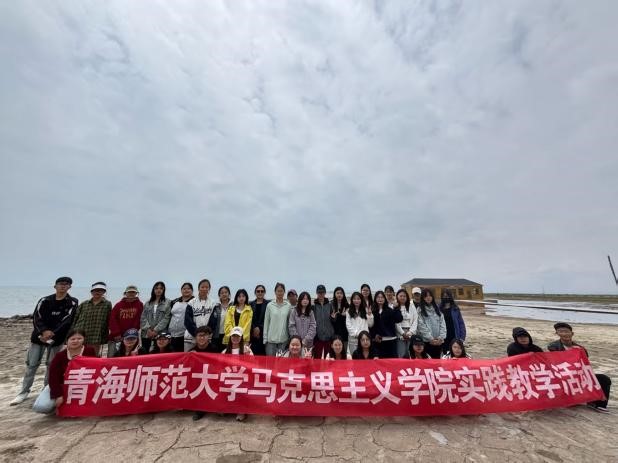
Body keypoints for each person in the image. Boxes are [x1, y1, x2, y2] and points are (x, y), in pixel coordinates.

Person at [10, 276, 78, 406]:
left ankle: (45, 390)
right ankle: (23, 392)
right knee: (31, 365)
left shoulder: (73, 302)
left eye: (66, 284)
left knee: (51, 366)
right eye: (60, 284)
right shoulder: (45, 300)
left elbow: (67, 320)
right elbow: (37, 317)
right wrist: (44, 331)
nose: (63, 286)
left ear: (70, 287)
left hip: (57, 339)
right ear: (55, 286)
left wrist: (52, 333)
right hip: (38, 337)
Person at [547, 322, 612, 413]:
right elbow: (555, 362)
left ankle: (598, 404)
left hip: (579, 374)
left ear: (572, 333)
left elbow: (585, 364)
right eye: (561, 331)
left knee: (604, 379)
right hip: (562, 375)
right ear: (557, 333)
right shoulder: (553, 346)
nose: (564, 334)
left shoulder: (580, 348)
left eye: (566, 331)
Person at [47, 329, 96, 412]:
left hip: (84, 385)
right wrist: (58, 395)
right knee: (43, 406)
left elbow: (96, 369)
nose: (76, 341)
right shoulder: (60, 356)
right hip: (63, 386)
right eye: (72, 339)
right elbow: (53, 377)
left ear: (84, 339)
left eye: (79, 338)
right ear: (67, 341)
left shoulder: (89, 351)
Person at [70, 281, 111, 356]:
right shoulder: (84, 303)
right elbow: (75, 318)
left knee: (93, 356)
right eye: (95, 290)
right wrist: (71, 333)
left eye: (100, 290)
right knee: (77, 355)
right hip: (80, 334)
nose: (97, 292)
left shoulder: (107, 304)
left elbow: (108, 320)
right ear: (91, 292)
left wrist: (105, 336)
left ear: (104, 292)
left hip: (96, 335)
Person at [223, 326, 253, 422]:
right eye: (233, 336)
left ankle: (241, 410)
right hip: (229, 377)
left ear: (241, 337)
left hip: (242, 377)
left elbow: (253, 365)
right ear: (230, 337)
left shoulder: (247, 350)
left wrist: (248, 357)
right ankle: (228, 408)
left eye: (238, 336)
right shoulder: (225, 351)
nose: (235, 338)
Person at [189, 326, 217, 421]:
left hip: (212, 377)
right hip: (197, 379)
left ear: (209, 337)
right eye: (199, 336)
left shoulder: (215, 349)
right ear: (196, 337)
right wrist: (190, 358)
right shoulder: (191, 351)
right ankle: (199, 409)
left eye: (204, 335)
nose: (202, 338)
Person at [108, 285, 143, 358]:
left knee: (131, 356)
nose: (131, 294)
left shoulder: (140, 305)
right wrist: (116, 333)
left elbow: (140, 319)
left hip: (132, 336)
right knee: (113, 356)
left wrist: (133, 332)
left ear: (136, 293)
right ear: (125, 293)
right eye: (129, 292)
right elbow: (112, 319)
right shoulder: (118, 305)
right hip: (117, 337)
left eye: (133, 292)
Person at [184, 279, 218, 352]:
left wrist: (205, 334)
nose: (204, 289)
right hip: (191, 337)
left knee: (205, 357)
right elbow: (187, 321)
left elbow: (213, 321)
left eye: (206, 287)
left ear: (209, 289)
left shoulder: (213, 303)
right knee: (190, 356)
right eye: (202, 287)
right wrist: (197, 334)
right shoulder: (191, 302)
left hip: (206, 337)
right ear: (198, 288)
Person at [369, 290, 403, 358]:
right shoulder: (372, 311)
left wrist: (396, 308)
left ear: (385, 299)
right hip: (378, 341)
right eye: (378, 297)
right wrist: (374, 335)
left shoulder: (390, 310)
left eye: (382, 297)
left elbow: (399, 319)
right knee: (380, 362)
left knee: (392, 362)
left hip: (391, 340)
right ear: (375, 299)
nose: (380, 299)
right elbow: (371, 326)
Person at [140, 281, 171, 353]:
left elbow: (166, 318)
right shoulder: (147, 303)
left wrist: (155, 330)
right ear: (153, 290)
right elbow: (143, 317)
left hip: (160, 334)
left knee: (158, 353)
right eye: (156, 288)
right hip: (146, 333)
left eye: (161, 288)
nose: (158, 290)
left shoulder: (168, 302)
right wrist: (148, 329)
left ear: (164, 290)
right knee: (145, 352)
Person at [263, 283, 292, 356]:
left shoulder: (288, 306)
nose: (280, 293)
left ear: (284, 292)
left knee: (282, 362)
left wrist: (290, 338)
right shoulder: (270, 305)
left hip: (284, 341)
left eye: (281, 291)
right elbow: (266, 322)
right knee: (270, 362)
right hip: (270, 341)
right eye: (278, 291)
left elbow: (289, 323)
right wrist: (265, 339)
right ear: (275, 292)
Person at [416, 289, 446, 359]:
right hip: (427, 342)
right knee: (428, 361)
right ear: (423, 298)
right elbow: (421, 326)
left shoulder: (437, 308)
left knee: (438, 361)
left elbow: (442, 324)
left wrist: (440, 338)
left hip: (439, 341)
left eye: (430, 296)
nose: (428, 297)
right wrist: (430, 339)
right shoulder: (420, 310)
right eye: (426, 296)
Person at [346, 291, 374, 356]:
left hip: (364, 339)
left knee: (365, 357)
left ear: (361, 300)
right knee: (354, 357)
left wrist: (369, 315)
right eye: (354, 299)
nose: (356, 301)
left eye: (358, 299)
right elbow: (348, 325)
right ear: (352, 300)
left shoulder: (366, 310)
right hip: (353, 339)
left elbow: (370, 325)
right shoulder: (349, 311)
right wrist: (356, 334)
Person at [439, 289, 467, 354]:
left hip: (454, 335)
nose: (446, 298)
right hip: (443, 336)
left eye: (448, 296)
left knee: (454, 353)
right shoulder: (438, 308)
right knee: (445, 354)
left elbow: (461, 323)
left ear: (451, 297)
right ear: (442, 297)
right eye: (444, 296)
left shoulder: (455, 308)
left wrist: (462, 337)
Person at [169, 283, 194, 352]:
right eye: (184, 288)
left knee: (183, 354)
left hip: (185, 335)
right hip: (172, 334)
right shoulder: (174, 301)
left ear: (192, 290)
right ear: (181, 290)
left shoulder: (194, 302)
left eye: (188, 288)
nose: (186, 290)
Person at [395, 289, 418, 358]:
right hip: (400, 333)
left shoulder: (411, 306)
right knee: (401, 353)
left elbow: (415, 319)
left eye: (404, 296)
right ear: (397, 296)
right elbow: (395, 322)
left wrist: (410, 332)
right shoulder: (395, 306)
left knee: (410, 353)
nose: (402, 298)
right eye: (400, 296)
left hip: (410, 332)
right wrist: (403, 333)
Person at [313, 284, 334, 359]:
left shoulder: (330, 305)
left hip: (329, 335)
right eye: (319, 292)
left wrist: (333, 318)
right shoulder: (313, 306)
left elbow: (333, 319)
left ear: (325, 293)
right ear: (316, 293)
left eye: (322, 292)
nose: (321, 294)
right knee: (317, 358)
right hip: (317, 336)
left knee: (328, 358)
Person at [250, 284, 270, 356]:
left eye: (262, 291)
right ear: (255, 293)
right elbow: (249, 318)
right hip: (253, 335)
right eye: (258, 291)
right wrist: (254, 328)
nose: (260, 293)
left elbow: (269, 319)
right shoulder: (250, 304)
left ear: (264, 292)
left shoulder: (268, 304)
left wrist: (259, 328)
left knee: (263, 356)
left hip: (264, 335)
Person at [330, 287, 349, 354]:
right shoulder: (331, 304)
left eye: (341, 293)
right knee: (335, 353)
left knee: (344, 352)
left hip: (345, 333)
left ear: (343, 294)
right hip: (334, 333)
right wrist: (333, 318)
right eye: (337, 293)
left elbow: (349, 320)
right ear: (334, 294)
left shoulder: (347, 305)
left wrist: (345, 315)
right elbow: (331, 321)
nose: (339, 295)